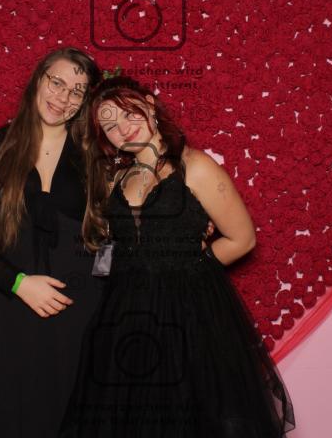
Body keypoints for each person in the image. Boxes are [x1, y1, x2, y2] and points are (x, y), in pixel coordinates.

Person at [59, 75, 297, 437]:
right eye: (109, 125)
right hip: (126, 317)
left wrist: (188, 262)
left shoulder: (196, 167)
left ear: (150, 105)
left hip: (190, 317)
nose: (122, 128)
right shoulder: (115, 179)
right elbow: (114, 247)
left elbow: (242, 239)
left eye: (128, 113)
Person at [0, 47, 106, 438]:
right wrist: (20, 283)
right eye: (57, 82)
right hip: (6, 310)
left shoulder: (94, 159)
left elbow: (109, 238)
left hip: (77, 315)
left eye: (77, 91)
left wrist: (102, 295)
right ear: (39, 79)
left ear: (84, 102)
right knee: (9, 418)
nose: (63, 97)